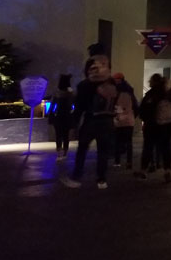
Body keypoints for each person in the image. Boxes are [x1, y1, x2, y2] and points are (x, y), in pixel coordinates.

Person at [60, 53, 118, 189]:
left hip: (91, 120)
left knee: (82, 149)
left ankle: (77, 177)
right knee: (103, 152)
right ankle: (102, 180)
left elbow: (80, 106)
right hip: (107, 121)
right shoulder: (112, 83)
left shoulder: (84, 85)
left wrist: (73, 124)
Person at [136, 74, 171, 183]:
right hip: (167, 125)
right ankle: (167, 171)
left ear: (152, 82)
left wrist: (145, 118)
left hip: (152, 126)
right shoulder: (169, 94)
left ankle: (143, 171)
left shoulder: (150, 95)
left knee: (148, 148)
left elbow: (143, 111)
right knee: (165, 148)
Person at [111, 72, 138, 170]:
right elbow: (136, 106)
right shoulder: (130, 92)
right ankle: (129, 162)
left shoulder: (115, 92)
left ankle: (117, 161)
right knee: (128, 142)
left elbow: (112, 106)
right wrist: (132, 117)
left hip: (118, 120)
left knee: (117, 141)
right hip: (129, 120)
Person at [48, 74, 74, 159]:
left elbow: (52, 105)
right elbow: (74, 103)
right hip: (68, 116)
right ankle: (65, 153)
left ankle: (59, 152)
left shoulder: (57, 93)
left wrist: (50, 115)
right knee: (66, 135)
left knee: (58, 134)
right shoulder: (71, 92)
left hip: (58, 115)